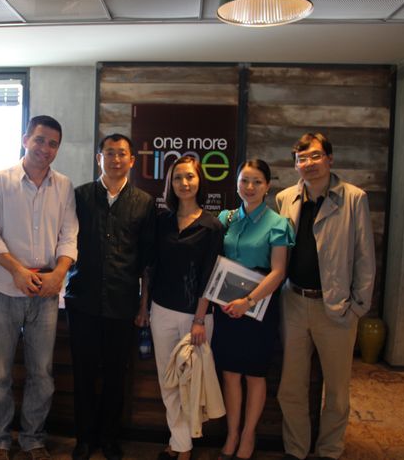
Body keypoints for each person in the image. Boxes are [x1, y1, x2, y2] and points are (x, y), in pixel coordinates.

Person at [0, 115, 79, 460]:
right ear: (25, 140)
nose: (45, 148)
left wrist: (59, 273)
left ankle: (33, 438)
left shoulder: (63, 186)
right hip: (1, 292)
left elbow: (69, 235)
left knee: (42, 374)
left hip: (45, 295)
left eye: (52, 144)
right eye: (39, 140)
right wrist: (17, 271)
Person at [276, 133, 375, 460]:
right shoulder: (285, 198)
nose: (309, 164)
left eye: (315, 156)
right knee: (291, 387)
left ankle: (330, 450)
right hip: (293, 302)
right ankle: (296, 449)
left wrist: (357, 307)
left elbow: (365, 256)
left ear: (330, 159)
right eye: (302, 158)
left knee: (336, 391)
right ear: (295, 164)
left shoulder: (354, 198)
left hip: (337, 307)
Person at [64, 134, 156, 460]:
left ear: (132, 160)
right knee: (84, 374)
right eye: (110, 153)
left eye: (122, 154)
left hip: (123, 302)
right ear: (98, 158)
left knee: (116, 375)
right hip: (83, 300)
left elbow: (147, 260)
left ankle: (109, 438)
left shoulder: (144, 202)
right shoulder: (79, 196)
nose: (116, 159)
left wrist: (143, 305)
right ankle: (84, 439)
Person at [141, 155, 225, 460]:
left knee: (191, 383)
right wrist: (144, 307)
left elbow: (211, 276)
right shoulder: (161, 221)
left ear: (199, 181)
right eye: (178, 178)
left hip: (196, 317)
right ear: (170, 183)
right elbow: (150, 267)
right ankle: (181, 444)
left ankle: (180, 446)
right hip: (161, 311)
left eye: (190, 177)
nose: (184, 183)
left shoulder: (212, 226)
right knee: (169, 382)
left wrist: (200, 319)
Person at [212, 159, 294, 460]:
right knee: (230, 373)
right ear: (236, 183)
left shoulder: (278, 223)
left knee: (255, 374)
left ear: (267, 186)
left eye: (257, 181)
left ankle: (248, 435)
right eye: (244, 180)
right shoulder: (226, 218)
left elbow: (278, 271)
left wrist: (248, 301)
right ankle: (232, 434)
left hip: (259, 307)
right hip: (226, 307)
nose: (249, 187)